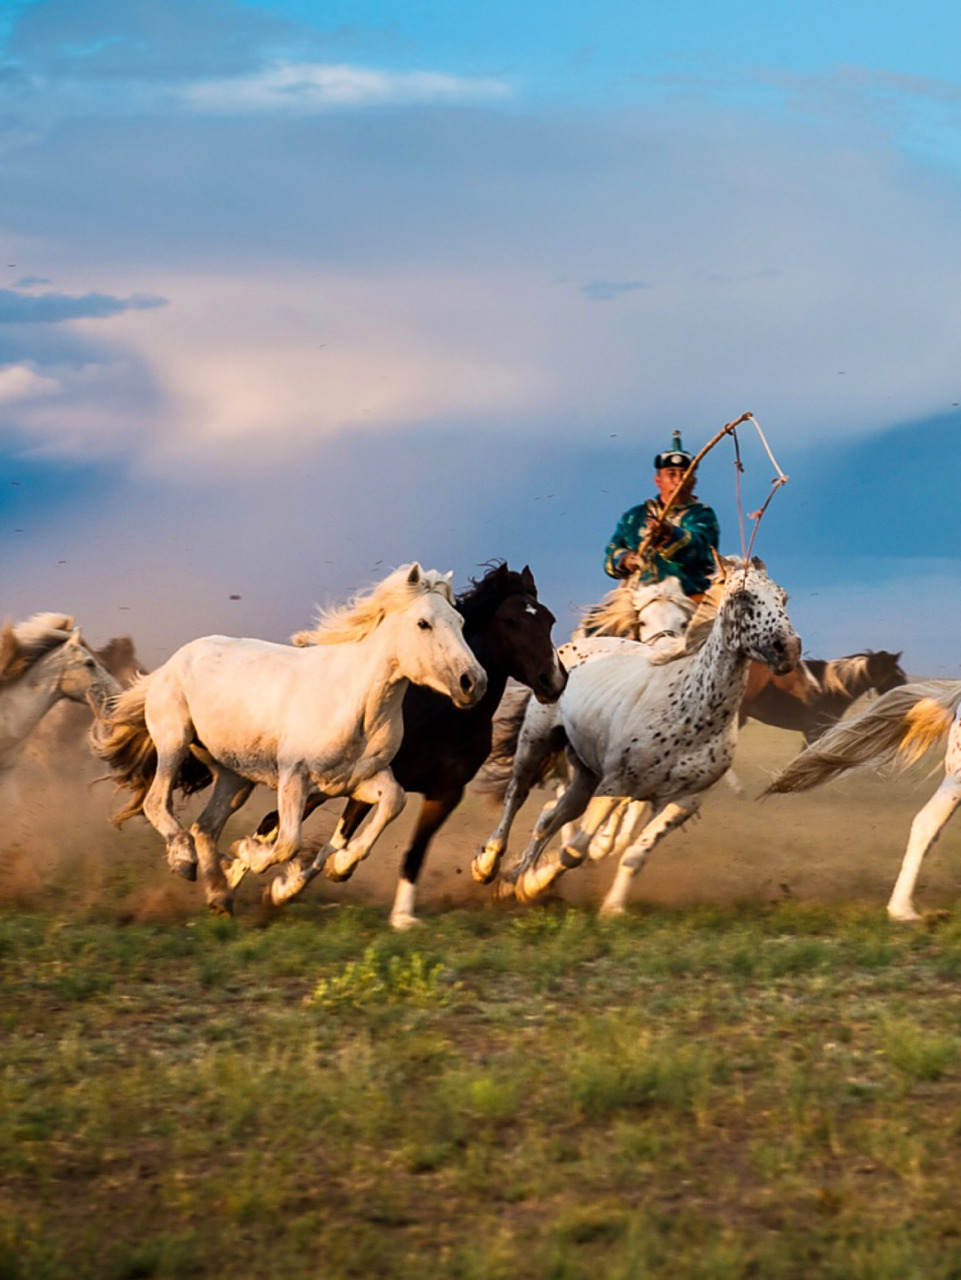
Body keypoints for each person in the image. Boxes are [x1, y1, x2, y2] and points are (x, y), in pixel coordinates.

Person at [603, 430, 720, 599]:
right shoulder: (635, 516)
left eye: (684, 474)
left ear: (693, 481)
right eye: (671, 474)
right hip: (638, 597)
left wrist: (669, 533)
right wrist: (625, 560)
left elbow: (700, 549)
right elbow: (612, 550)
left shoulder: (702, 514)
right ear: (657, 480)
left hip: (688, 596)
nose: (678, 480)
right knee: (593, 624)